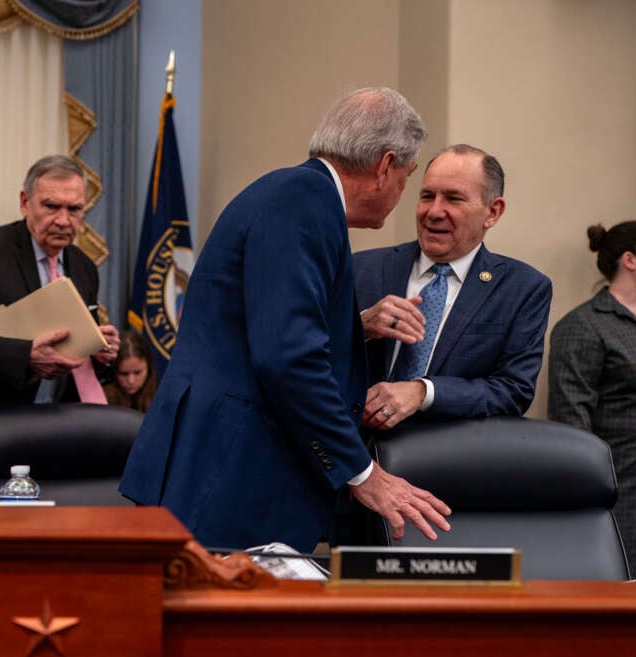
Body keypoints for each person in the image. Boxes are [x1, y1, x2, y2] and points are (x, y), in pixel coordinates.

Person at [118, 87, 451, 553]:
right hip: (228, 473)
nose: (402, 192)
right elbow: (286, 358)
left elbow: (259, 325)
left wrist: (354, 326)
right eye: (408, 178)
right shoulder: (304, 203)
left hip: (225, 467)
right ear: (384, 166)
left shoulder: (294, 194)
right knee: (221, 622)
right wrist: (362, 472)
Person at [0, 155, 121, 498]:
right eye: (51, 206)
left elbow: (75, 354)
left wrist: (101, 354)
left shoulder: (85, 267)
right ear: (25, 203)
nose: (63, 220)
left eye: (74, 209)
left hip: (47, 431)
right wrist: (24, 356)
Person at [354, 145, 552, 429]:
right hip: (352, 456)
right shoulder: (362, 269)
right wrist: (360, 326)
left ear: (493, 212)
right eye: (427, 196)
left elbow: (513, 390)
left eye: (453, 198)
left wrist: (424, 392)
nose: (434, 211)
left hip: (446, 462)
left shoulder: (523, 288)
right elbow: (308, 354)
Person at [548, 220, 636, 577]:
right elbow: (571, 419)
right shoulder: (584, 325)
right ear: (630, 260)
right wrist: (587, 493)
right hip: (613, 491)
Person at [105, 328, 157, 412]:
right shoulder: (100, 399)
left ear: (149, 368)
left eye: (137, 373)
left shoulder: (161, 397)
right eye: (124, 374)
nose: (131, 381)